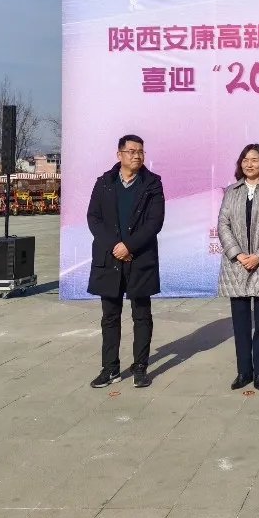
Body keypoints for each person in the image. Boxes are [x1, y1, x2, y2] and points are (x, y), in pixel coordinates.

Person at [86, 134, 165, 389]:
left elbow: (155, 222)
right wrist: (115, 246)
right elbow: (93, 218)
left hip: (139, 258)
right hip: (109, 258)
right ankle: (110, 368)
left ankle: (140, 367)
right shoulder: (104, 183)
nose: (137, 155)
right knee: (110, 316)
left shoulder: (152, 184)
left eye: (140, 151)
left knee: (141, 314)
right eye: (131, 151)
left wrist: (129, 246)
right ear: (119, 154)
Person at [217, 144, 259, 391]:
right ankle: (244, 371)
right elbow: (223, 224)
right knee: (240, 321)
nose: (249, 164)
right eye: (245, 160)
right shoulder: (231, 191)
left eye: (254, 160)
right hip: (236, 264)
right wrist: (237, 254)